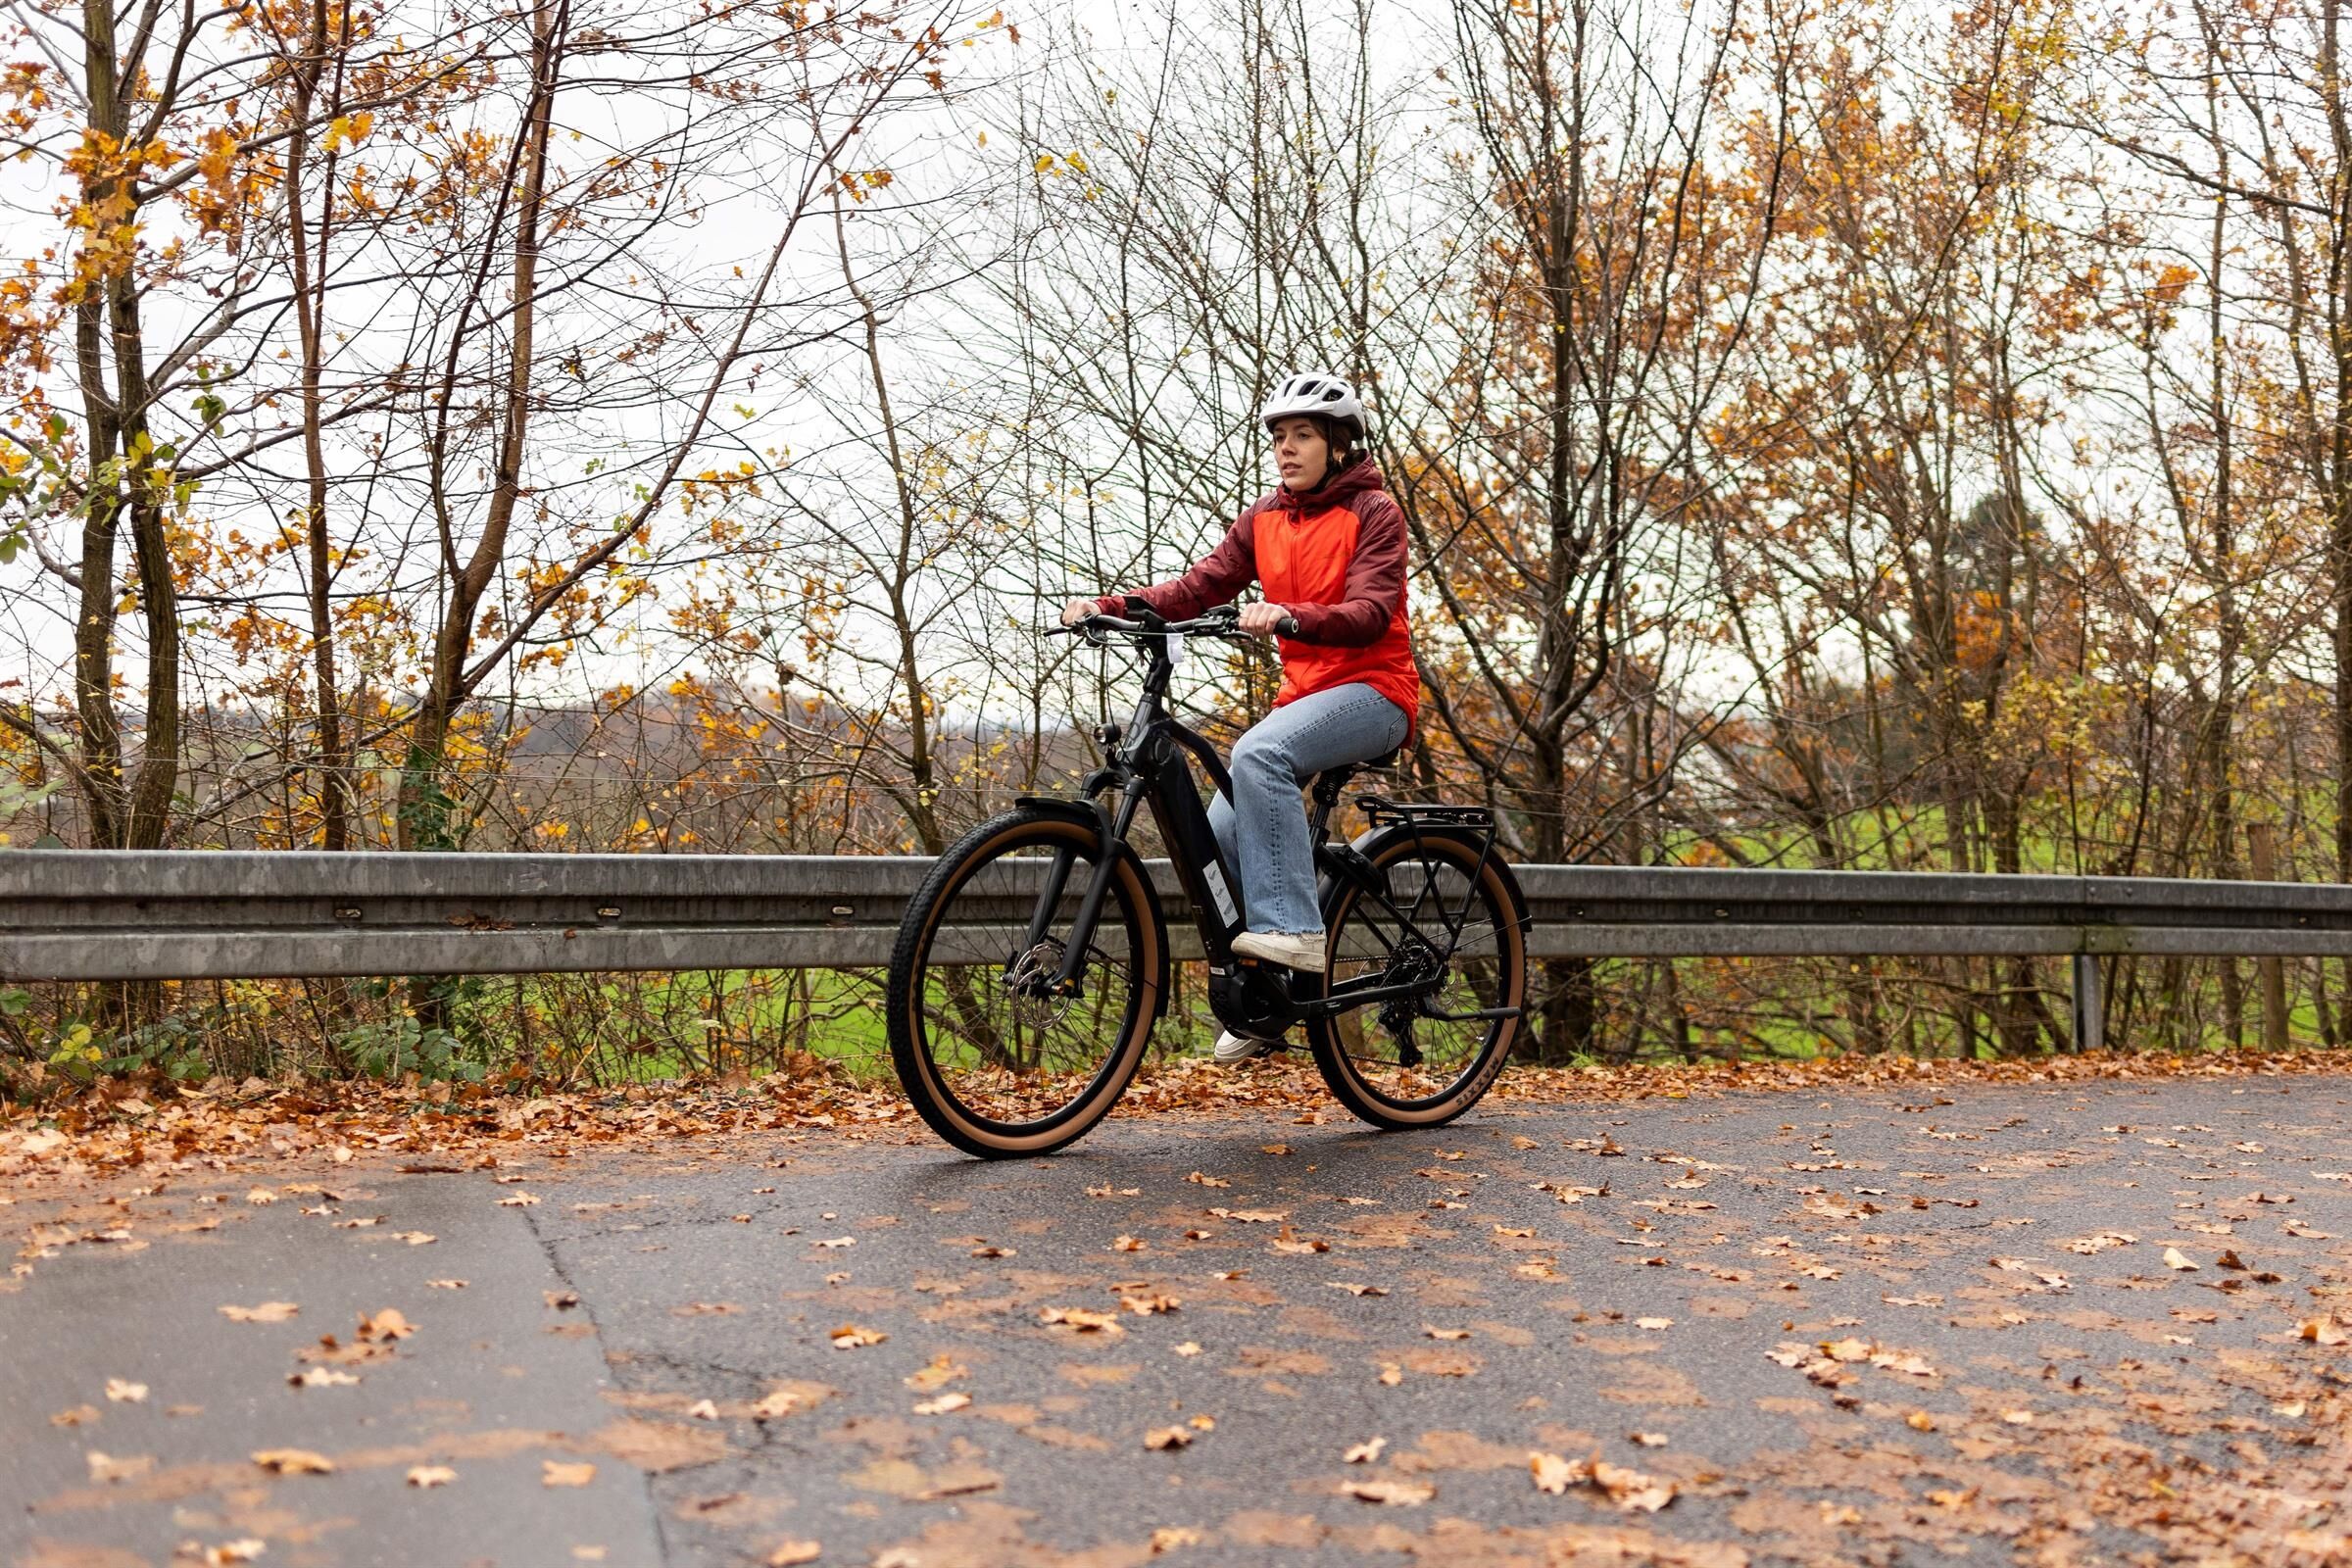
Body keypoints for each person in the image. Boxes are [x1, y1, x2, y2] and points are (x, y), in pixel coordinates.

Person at [1060, 370, 1418, 1064]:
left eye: (1304, 435)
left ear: (1341, 445)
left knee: (1258, 755)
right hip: (1304, 702)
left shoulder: (1375, 512)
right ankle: (1268, 1000)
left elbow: (1372, 611)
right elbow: (1199, 588)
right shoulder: (1264, 518)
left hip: (1376, 692)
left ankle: (1297, 932)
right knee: (1213, 842)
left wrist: (1290, 615)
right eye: (1280, 437)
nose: (1287, 449)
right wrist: (1112, 606)